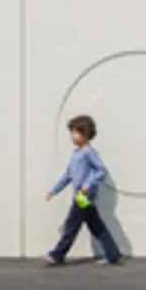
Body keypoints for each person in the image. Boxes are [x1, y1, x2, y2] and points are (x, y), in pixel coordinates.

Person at [42, 113, 124, 266]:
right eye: (71, 132)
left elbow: (101, 171)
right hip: (81, 197)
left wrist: (88, 184)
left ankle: (57, 255)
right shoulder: (76, 153)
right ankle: (114, 255)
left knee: (71, 227)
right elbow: (68, 175)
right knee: (97, 227)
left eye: (75, 132)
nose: (72, 136)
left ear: (85, 134)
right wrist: (54, 190)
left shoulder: (89, 153)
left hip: (84, 196)